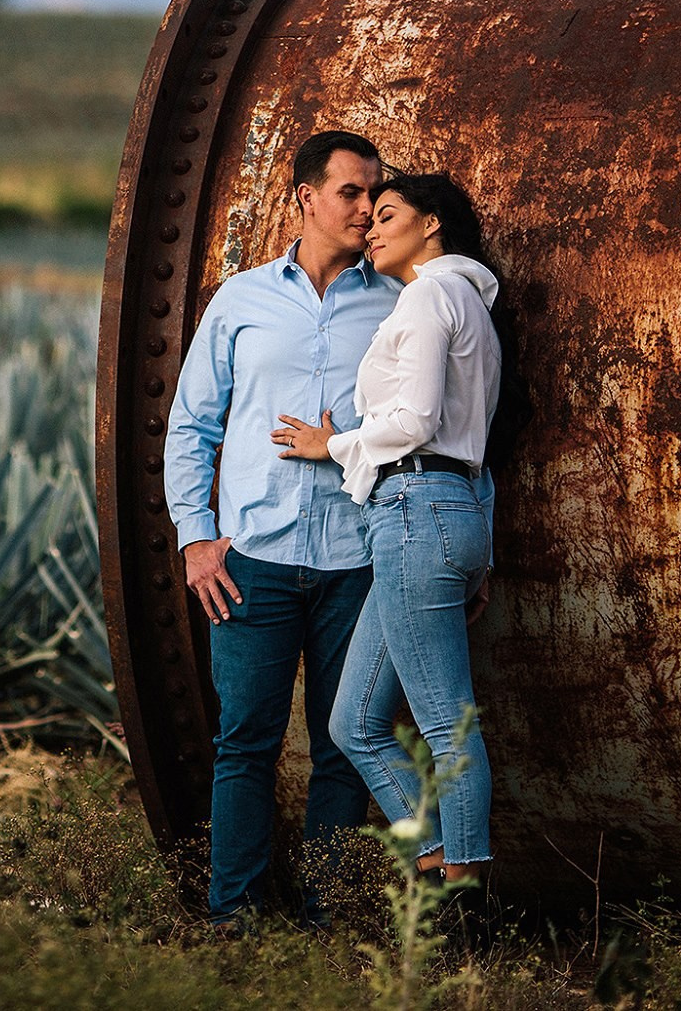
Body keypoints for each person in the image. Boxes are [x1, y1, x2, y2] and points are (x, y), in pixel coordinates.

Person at [164, 130, 403, 929]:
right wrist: (196, 538)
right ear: (306, 196)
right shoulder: (241, 301)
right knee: (246, 741)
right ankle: (233, 914)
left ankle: (327, 918)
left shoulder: (396, 303)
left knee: (345, 743)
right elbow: (192, 424)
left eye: (375, 193)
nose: (366, 208)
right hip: (253, 562)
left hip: (357, 560)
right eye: (350, 192)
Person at [268, 172, 503, 924]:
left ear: (432, 224)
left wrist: (332, 443)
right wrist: (480, 551)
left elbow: (418, 419)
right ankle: (435, 860)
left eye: (388, 214)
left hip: (415, 513)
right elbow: (478, 448)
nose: (371, 228)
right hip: (444, 512)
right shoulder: (470, 303)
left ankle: (463, 903)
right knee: (354, 724)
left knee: (445, 722)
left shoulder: (431, 297)